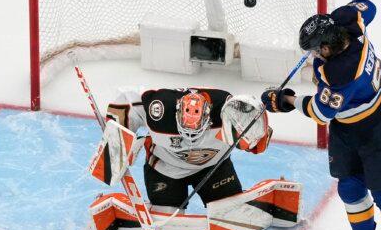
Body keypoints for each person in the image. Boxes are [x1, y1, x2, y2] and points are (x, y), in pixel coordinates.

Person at [261, 0, 381, 230]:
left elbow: (321, 112)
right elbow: (368, 6)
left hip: (377, 126)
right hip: (347, 128)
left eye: (317, 49)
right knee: (350, 187)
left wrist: (285, 101)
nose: (315, 55)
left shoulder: (342, 73)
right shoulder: (350, 21)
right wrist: (331, 20)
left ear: (329, 46)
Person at [104, 87, 271, 213]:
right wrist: (116, 145)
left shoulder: (229, 110)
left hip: (212, 167)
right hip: (166, 168)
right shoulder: (160, 108)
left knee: (232, 212)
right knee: (167, 221)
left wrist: (256, 138)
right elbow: (127, 101)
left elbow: (254, 130)